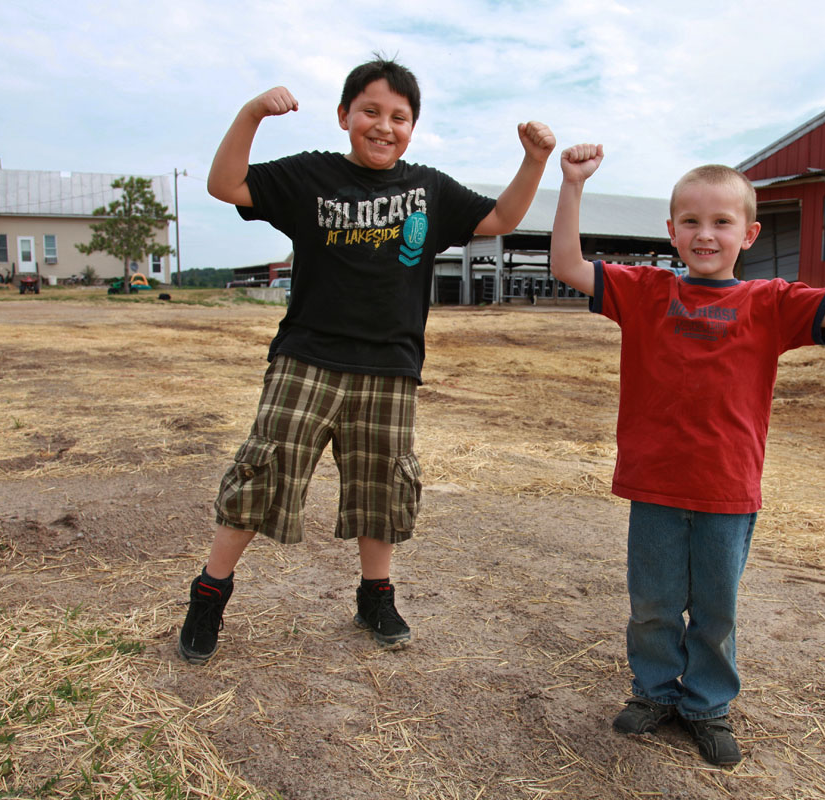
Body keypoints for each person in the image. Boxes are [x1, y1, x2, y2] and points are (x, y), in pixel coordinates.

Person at [550, 144, 825, 766]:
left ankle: (706, 706)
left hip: (727, 489)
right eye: (690, 221)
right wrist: (572, 185)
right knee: (654, 604)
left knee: (716, 609)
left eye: (721, 222)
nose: (705, 233)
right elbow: (566, 265)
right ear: (670, 231)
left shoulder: (771, 303)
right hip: (656, 484)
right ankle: (655, 692)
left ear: (748, 234)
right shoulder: (645, 291)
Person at [178, 57, 555, 663]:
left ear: (413, 126)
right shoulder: (311, 177)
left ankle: (375, 597)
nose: (384, 126)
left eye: (398, 117)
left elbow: (502, 218)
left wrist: (534, 161)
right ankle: (209, 595)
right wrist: (251, 114)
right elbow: (225, 186)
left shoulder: (428, 188)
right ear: (344, 116)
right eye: (370, 112)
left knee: (383, 487)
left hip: (391, 366)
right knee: (262, 473)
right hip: (307, 358)